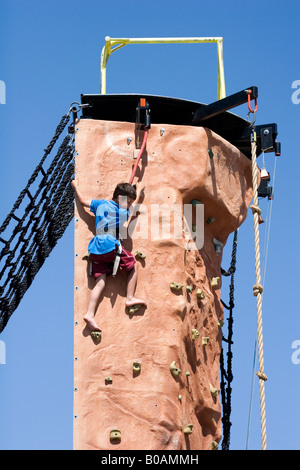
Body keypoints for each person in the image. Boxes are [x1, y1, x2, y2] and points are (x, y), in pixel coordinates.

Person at [72, 180, 146, 332]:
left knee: (100, 282)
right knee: (133, 265)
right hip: (109, 245)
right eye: (128, 202)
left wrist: (75, 186)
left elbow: (83, 201)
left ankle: (90, 314)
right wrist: (139, 194)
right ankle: (130, 297)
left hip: (96, 248)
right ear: (119, 198)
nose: (130, 205)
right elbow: (131, 213)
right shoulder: (121, 212)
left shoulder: (99, 204)